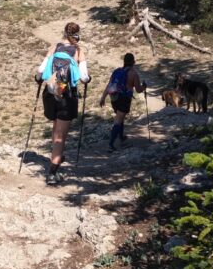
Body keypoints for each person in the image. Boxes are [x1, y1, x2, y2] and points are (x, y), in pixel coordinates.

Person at [35, 21, 90, 185]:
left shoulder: (54, 47)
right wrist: (88, 79)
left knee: (55, 128)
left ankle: (56, 158)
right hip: (67, 96)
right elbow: (84, 76)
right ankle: (52, 171)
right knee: (61, 136)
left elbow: (40, 71)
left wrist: (39, 80)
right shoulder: (78, 51)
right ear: (77, 35)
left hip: (50, 93)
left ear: (64, 33)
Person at [100, 52, 146, 152]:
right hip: (124, 99)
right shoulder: (134, 74)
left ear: (124, 62)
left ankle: (121, 137)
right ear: (133, 62)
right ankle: (111, 144)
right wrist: (144, 87)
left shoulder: (117, 71)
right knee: (118, 120)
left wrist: (103, 97)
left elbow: (109, 85)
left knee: (120, 117)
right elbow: (138, 89)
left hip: (114, 98)